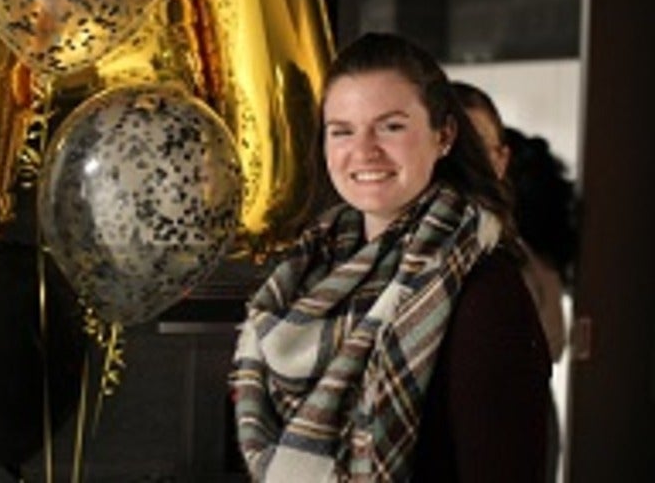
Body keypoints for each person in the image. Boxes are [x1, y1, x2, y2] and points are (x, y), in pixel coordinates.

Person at [231, 33, 550, 481]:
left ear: (444, 136)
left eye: (391, 127)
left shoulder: (486, 290)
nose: (364, 151)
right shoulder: (303, 275)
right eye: (342, 131)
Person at [452, 82, 578, 483]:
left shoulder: (514, 251)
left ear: (501, 159)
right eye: (454, 146)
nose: (464, 163)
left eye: (478, 147)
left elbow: (553, 340)